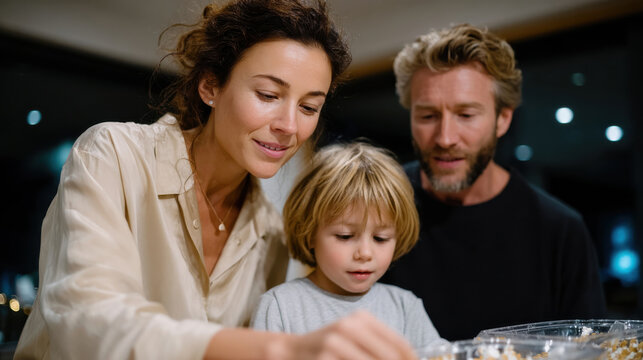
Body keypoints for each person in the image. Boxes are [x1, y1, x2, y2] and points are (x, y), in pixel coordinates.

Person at [14, 1, 420, 359]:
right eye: (267, 95)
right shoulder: (113, 156)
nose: (289, 126)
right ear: (210, 86)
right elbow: (90, 321)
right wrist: (280, 349)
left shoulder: (271, 235)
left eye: (309, 106)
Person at [381, 24, 606, 341]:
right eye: (428, 116)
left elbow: (590, 351)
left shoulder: (559, 231)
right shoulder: (377, 205)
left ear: (503, 119)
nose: (445, 138)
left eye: (466, 115)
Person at [251, 142, 448, 353]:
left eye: (380, 238)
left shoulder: (405, 307)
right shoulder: (280, 307)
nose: (365, 253)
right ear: (309, 234)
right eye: (345, 236)